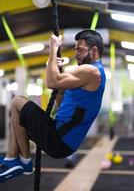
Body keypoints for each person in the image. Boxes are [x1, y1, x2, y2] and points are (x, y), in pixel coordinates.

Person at [0, 29, 106, 183]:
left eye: (80, 50)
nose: (76, 54)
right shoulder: (89, 74)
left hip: (59, 139)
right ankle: (15, 160)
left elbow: (51, 82)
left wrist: (53, 49)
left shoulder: (92, 71)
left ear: (94, 50)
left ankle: (21, 162)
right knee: (20, 117)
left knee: (17, 102)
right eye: (76, 49)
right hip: (61, 139)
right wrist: (56, 68)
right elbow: (59, 93)